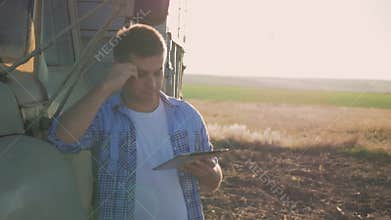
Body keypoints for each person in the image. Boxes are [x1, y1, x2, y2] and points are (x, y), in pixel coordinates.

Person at [47, 24, 223, 220]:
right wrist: (105, 87)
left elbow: (213, 180)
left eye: (158, 72)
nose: (152, 83)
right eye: (142, 74)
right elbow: (60, 140)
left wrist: (209, 174)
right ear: (119, 68)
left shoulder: (187, 116)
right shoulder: (105, 116)